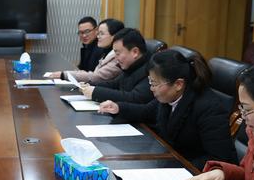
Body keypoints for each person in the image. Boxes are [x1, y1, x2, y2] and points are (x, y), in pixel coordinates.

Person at [99, 49, 237, 169]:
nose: (151, 88)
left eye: (154, 83)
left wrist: (177, 168)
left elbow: (218, 159)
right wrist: (118, 107)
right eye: (150, 81)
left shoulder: (209, 108)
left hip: (196, 174)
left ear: (178, 84)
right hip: (172, 162)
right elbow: (146, 112)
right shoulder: (169, 96)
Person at [81, 28, 153, 105]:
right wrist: (89, 85)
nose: (115, 58)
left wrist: (96, 92)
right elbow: (113, 84)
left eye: (118, 53)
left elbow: (134, 98)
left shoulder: (151, 70)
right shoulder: (131, 67)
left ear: (135, 52)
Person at [47, 18, 125, 84]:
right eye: (81, 32)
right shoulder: (99, 49)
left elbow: (96, 77)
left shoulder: (112, 54)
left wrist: (65, 75)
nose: (84, 35)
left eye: (87, 31)